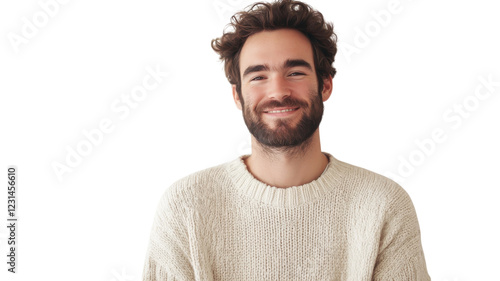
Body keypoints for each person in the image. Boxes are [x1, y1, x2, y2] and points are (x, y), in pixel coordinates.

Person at [142, 0, 430, 280]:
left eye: (295, 73)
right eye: (258, 77)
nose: (278, 91)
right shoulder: (186, 207)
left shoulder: (382, 205)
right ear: (237, 95)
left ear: (326, 84)